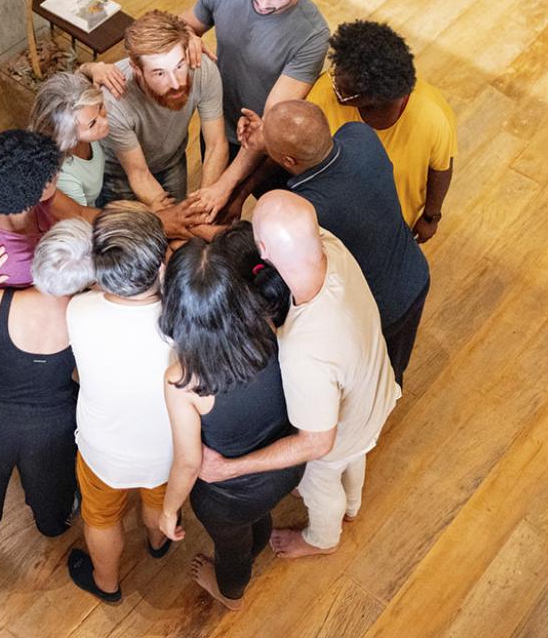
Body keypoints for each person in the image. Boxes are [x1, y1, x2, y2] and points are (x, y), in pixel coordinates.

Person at [199, 191, 400, 559]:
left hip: (336, 434)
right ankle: (353, 505)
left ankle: (323, 539)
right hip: (376, 388)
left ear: (263, 248)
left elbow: (317, 444)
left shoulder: (304, 349)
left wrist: (230, 468)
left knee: (320, 483)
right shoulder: (329, 245)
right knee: (356, 455)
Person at [157, 224, 303, 610]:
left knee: (232, 550)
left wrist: (169, 510)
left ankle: (231, 594)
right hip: (285, 466)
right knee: (255, 522)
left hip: (229, 496)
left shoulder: (183, 380)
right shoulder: (268, 326)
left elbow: (189, 463)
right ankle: (257, 539)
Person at [238, 99, 430, 384]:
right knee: (395, 365)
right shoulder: (361, 136)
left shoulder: (308, 211)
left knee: (372, 376)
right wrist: (269, 137)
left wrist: (260, 146)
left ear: (288, 161)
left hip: (378, 308)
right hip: (414, 272)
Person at [0, 219, 95, 557]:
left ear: (37, 260)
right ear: (87, 279)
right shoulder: (84, 319)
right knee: (52, 486)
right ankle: (52, 524)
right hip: (52, 426)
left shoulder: (1, 303)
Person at [178, 0, 331, 222]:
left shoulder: (312, 34)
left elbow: (274, 121)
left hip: (269, 143)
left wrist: (227, 186)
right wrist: (188, 37)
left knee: (272, 214)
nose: (262, 2)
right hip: (219, 119)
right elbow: (185, 24)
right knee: (218, 214)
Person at [65, 204, 175, 603]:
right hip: (169, 448)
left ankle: (107, 583)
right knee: (159, 500)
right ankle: (158, 542)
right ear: (162, 265)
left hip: (103, 450)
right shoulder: (182, 322)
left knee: (101, 517)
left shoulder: (78, 311)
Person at [0, 129, 97, 361]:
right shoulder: (13, 263)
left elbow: (77, 212)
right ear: (41, 189)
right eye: (56, 175)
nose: (59, 175)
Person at [305, 20, 457, 242]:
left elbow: (441, 168)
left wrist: (431, 217)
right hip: (337, 219)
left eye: (343, 90)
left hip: (394, 225)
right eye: (335, 72)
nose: (333, 83)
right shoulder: (324, 92)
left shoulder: (432, 117)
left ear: (374, 98)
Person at [79, 10, 228, 223]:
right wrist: (177, 220)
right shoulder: (114, 100)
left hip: (171, 160)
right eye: (159, 73)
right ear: (136, 69)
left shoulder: (202, 69)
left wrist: (202, 206)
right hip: (119, 174)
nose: (176, 83)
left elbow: (216, 144)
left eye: (179, 66)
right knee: (131, 234)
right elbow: (139, 174)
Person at [29, 72, 110, 207]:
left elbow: (79, 76)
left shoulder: (83, 118)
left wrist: (93, 68)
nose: (105, 122)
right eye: (92, 124)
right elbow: (81, 218)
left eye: (100, 107)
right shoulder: (63, 177)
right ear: (67, 136)